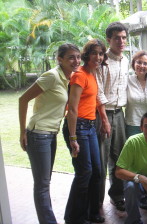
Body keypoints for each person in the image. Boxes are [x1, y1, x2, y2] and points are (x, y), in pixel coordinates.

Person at [19, 43, 81, 224]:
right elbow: (23, 99)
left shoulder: (67, 78)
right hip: (38, 134)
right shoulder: (52, 76)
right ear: (59, 59)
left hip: (49, 134)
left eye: (78, 56)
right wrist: (22, 131)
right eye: (71, 57)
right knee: (42, 185)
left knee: (44, 183)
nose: (76, 61)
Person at [63, 39, 105, 224]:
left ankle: (92, 212)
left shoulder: (92, 73)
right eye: (94, 53)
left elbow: (93, 100)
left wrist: (103, 119)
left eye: (101, 53)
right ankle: (74, 217)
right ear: (87, 55)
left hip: (90, 126)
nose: (98, 57)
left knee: (97, 171)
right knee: (84, 173)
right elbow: (72, 108)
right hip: (77, 127)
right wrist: (73, 138)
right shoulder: (79, 75)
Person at [96, 21, 129, 211]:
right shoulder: (102, 60)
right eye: (117, 38)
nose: (121, 41)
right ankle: (97, 201)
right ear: (109, 40)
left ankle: (117, 195)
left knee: (119, 157)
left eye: (124, 37)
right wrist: (104, 119)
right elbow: (99, 90)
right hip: (103, 113)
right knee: (102, 157)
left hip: (119, 113)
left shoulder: (125, 61)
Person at [125, 50, 147, 138]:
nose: (142, 66)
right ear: (134, 63)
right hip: (132, 124)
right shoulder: (127, 80)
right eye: (139, 62)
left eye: (145, 63)